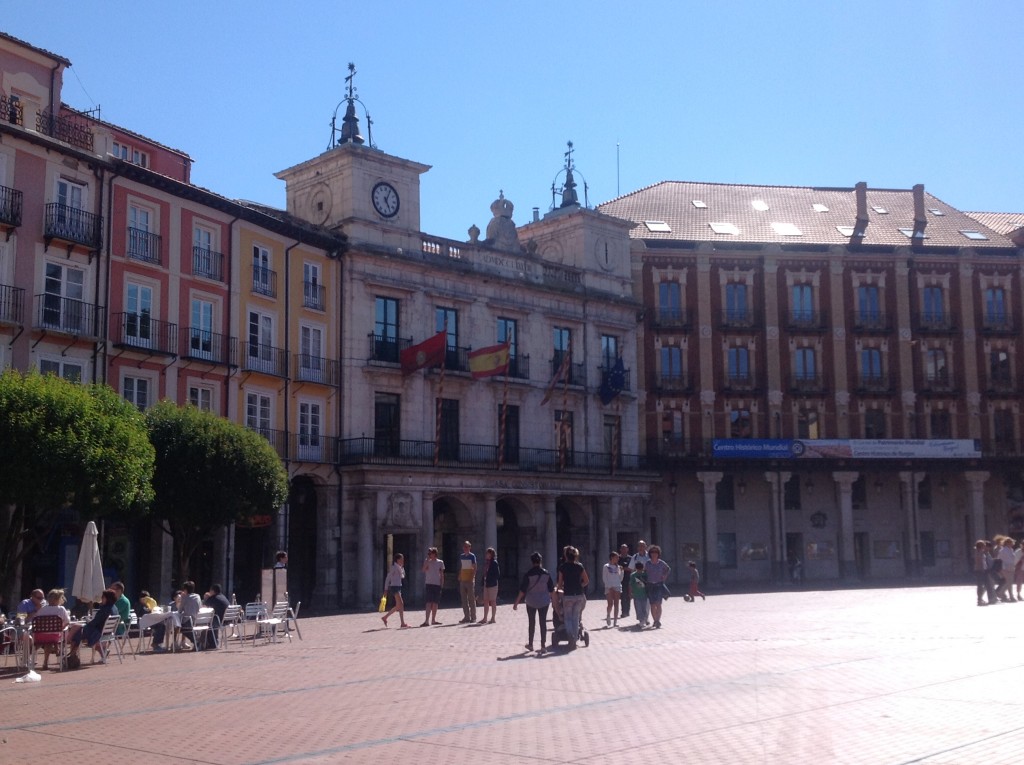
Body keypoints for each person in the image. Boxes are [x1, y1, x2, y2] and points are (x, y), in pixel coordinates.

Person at [512, 552, 554, 653]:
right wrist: (555, 602)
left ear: (532, 562)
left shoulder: (528, 574)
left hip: (531, 601)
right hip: (544, 601)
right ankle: (543, 645)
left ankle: (530, 644)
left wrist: (516, 603)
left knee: (532, 622)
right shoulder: (546, 573)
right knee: (543, 622)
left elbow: (523, 590)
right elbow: (551, 589)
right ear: (540, 561)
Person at [68, 588, 117, 662]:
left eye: (103, 597)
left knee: (76, 630)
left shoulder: (105, 610)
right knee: (77, 630)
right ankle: (103, 653)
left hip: (97, 633)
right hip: (107, 633)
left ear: (107, 598)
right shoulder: (114, 608)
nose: (101, 599)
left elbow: (94, 623)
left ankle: (70, 653)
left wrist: (87, 622)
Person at [556, 545, 589, 650]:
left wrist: (559, 590)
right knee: (575, 618)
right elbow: (586, 581)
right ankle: (574, 640)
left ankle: (570, 636)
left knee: (568, 618)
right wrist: (580, 586)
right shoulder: (580, 566)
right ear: (575, 557)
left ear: (566, 556)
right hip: (579, 594)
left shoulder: (562, 567)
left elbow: (560, 584)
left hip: (568, 595)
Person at [33, 588, 71, 670]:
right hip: (54, 637)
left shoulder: (42, 609)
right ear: (58, 599)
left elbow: (35, 618)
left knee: (47, 638)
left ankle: (43, 661)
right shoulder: (61, 609)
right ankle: (53, 653)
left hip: (40, 636)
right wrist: (62, 627)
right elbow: (67, 622)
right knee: (52, 637)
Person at [381, 553, 410, 628]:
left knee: (398, 605)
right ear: (397, 560)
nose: (402, 560)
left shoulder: (399, 567)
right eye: (401, 559)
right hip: (394, 587)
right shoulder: (393, 567)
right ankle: (402, 623)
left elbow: (402, 576)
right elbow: (388, 578)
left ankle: (385, 617)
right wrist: (386, 589)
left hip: (398, 586)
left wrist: (402, 567)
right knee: (401, 604)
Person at [645, 545, 671, 628]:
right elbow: (644, 572)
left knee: (658, 603)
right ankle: (655, 620)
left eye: (656, 552)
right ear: (650, 553)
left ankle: (658, 620)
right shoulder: (648, 563)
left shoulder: (661, 563)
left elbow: (668, 569)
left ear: (658, 553)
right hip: (650, 585)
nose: (654, 554)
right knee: (652, 604)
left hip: (659, 584)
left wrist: (664, 576)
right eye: (652, 552)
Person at [421, 547, 445, 627]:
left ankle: (433, 620)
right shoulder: (427, 561)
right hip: (429, 583)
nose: (429, 555)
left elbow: (441, 574)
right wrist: (427, 561)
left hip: (437, 584)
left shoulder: (440, 562)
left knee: (435, 603)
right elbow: (423, 570)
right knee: (428, 602)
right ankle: (426, 620)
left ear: (435, 554)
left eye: (430, 553)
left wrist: (442, 584)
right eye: (428, 553)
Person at [177, 581, 203, 650]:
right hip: (198, 620)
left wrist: (181, 598)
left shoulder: (185, 598)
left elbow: (179, 610)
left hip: (189, 620)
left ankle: (196, 642)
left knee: (179, 626)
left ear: (185, 590)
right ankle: (186, 642)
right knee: (184, 624)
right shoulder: (198, 596)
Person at [204, 584, 231, 648]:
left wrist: (206, 598)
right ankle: (210, 642)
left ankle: (211, 643)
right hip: (228, 620)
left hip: (219, 620)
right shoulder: (223, 597)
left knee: (209, 621)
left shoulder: (213, 598)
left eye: (210, 590)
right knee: (212, 619)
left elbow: (205, 606)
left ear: (213, 591)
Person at [458, 541, 477, 624]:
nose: (466, 548)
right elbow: (462, 566)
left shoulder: (472, 556)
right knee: (464, 599)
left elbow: (475, 567)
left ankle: (473, 617)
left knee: (471, 599)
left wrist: (472, 577)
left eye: (467, 546)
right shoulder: (462, 556)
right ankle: (466, 617)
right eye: (464, 547)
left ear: (470, 547)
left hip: (469, 580)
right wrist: (460, 575)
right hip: (463, 579)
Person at [479, 547, 500, 624]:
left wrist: (490, 579)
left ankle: (493, 618)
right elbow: (484, 573)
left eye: (488, 553)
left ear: (491, 554)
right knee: (485, 601)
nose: (486, 555)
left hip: (492, 585)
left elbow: (497, 574)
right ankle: (485, 618)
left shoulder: (494, 563)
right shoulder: (486, 563)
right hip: (486, 584)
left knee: (493, 601)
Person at [602, 551, 622, 627]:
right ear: (612, 557)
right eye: (616, 557)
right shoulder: (606, 566)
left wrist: (617, 583)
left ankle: (615, 622)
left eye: (618, 557)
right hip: (608, 587)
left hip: (617, 586)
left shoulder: (619, 567)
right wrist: (609, 586)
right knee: (610, 604)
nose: (617, 559)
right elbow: (604, 577)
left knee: (616, 604)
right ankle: (608, 615)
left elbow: (620, 577)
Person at [630, 561, 649, 629]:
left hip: (644, 594)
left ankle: (644, 620)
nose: (640, 570)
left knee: (644, 608)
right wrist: (631, 593)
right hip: (636, 594)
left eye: (640, 568)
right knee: (638, 608)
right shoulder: (633, 575)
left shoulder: (645, 574)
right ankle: (642, 620)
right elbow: (631, 585)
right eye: (638, 568)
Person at [618, 543, 632, 618]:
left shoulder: (630, 558)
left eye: (625, 548)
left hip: (629, 579)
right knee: (622, 596)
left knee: (629, 595)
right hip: (620, 580)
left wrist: (623, 568)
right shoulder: (617, 558)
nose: (623, 549)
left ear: (627, 549)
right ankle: (623, 611)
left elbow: (632, 568)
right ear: (620, 549)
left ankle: (628, 611)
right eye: (622, 548)